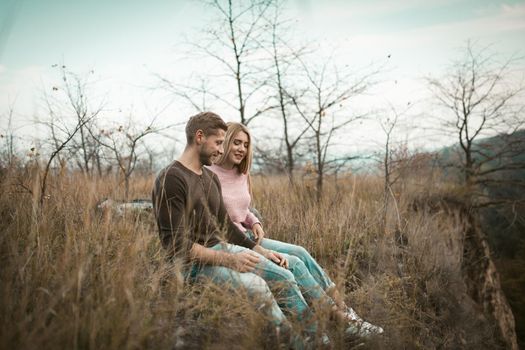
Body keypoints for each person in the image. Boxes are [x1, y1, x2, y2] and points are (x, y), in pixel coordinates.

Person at [152, 112, 330, 345]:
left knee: (285, 274)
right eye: (218, 142)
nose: (220, 149)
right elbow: (175, 245)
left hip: (222, 249)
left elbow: (226, 226)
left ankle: (318, 340)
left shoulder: (208, 177)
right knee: (260, 285)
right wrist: (228, 260)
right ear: (199, 137)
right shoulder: (172, 178)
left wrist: (261, 251)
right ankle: (301, 343)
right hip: (191, 265)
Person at [207, 122, 384, 337]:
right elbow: (219, 218)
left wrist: (255, 223)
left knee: (299, 251)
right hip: (233, 242)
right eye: (236, 143)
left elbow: (243, 209)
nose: (241, 149)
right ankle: (337, 320)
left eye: (245, 144)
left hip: (247, 235)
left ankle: (345, 311)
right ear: (224, 142)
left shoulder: (242, 174)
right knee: (295, 263)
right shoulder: (208, 175)